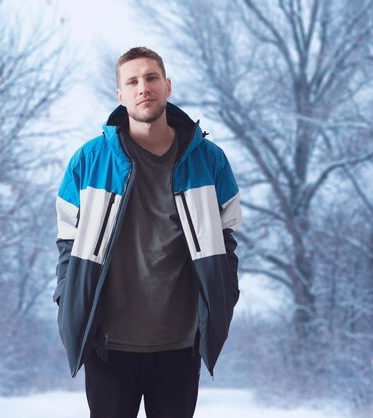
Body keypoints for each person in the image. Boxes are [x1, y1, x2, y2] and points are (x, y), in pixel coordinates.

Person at [54, 47, 242, 418]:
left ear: (168, 86)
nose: (144, 87)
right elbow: (67, 243)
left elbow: (228, 239)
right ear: (120, 95)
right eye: (133, 81)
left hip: (180, 344)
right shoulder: (89, 161)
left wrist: (224, 298)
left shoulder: (210, 160)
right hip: (109, 345)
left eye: (152, 77)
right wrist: (69, 300)